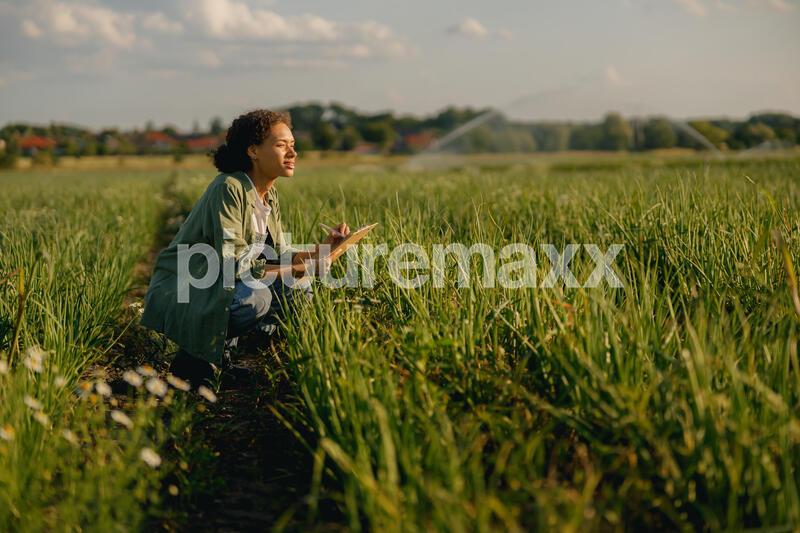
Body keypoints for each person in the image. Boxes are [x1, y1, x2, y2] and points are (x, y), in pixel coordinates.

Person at [140, 109, 349, 386]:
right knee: (255, 296)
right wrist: (299, 267)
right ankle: (194, 361)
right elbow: (233, 265)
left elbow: (277, 257)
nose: (292, 153)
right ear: (253, 150)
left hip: (219, 283)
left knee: (299, 288)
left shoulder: (268, 194)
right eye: (281, 145)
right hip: (188, 287)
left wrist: (324, 249)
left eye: (293, 146)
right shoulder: (229, 188)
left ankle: (223, 358)